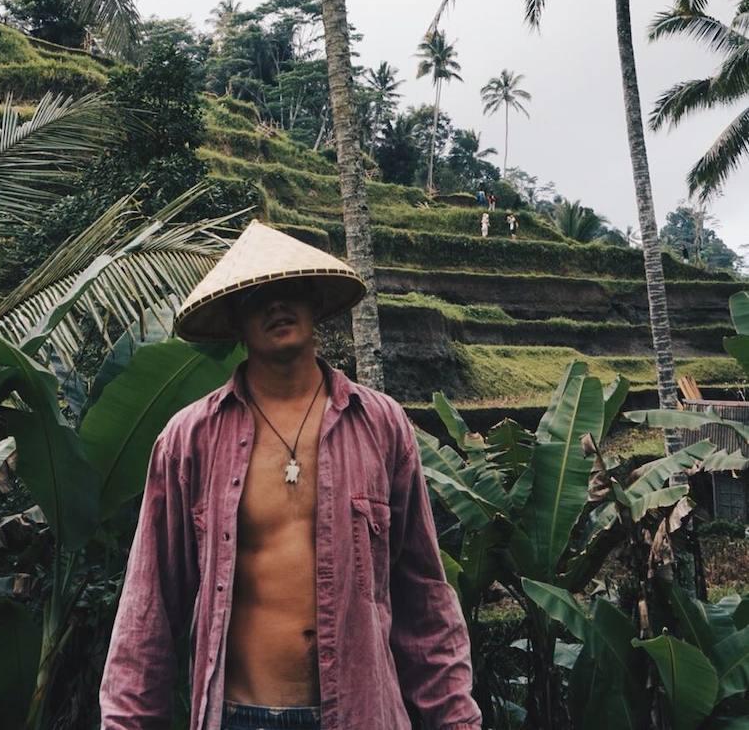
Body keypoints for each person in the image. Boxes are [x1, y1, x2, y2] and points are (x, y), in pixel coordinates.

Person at [99, 219, 480, 730]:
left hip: (360, 714)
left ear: (315, 299)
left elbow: (425, 596)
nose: (276, 305)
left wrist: (455, 719)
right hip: (238, 715)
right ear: (235, 315)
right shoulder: (189, 439)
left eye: (290, 288)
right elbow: (149, 605)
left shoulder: (382, 425)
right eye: (257, 297)